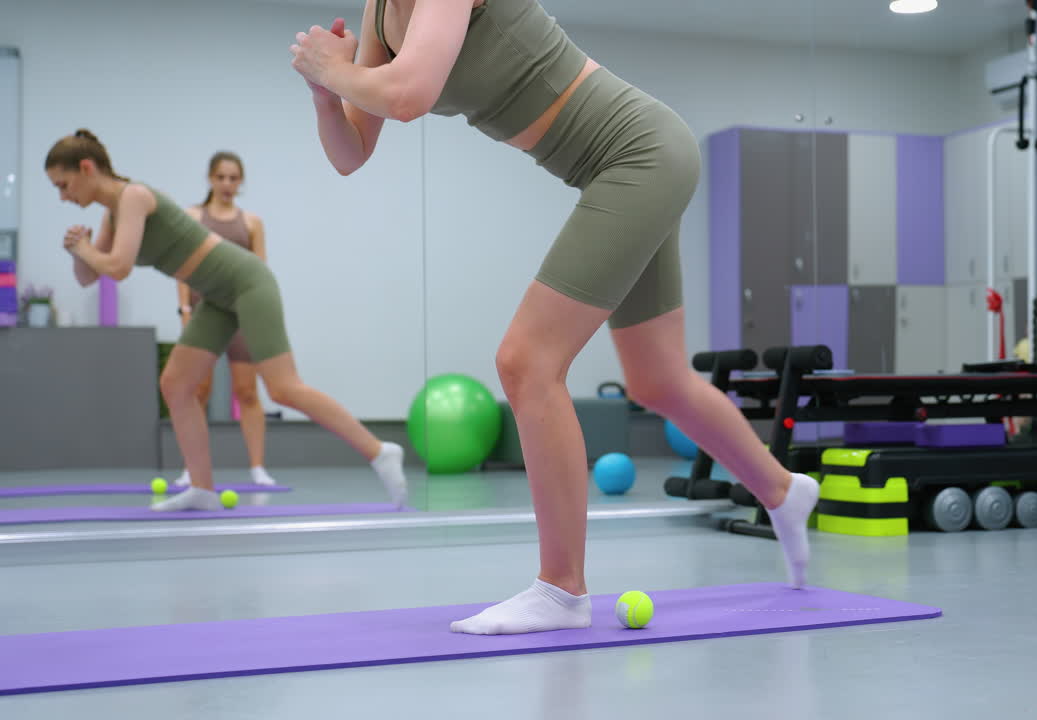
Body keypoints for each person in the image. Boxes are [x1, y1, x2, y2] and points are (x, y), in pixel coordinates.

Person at [289, 0, 819, 635]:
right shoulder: (380, 14)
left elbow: (407, 94)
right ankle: (784, 490)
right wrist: (326, 91)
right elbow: (351, 152)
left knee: (527, 361)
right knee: (657, 382)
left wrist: (334, 67)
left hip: (640, 154)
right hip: (619, 171)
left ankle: (562, 590)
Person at [46, 130, 407, 512]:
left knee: (283, 388)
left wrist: (86, 249)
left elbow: (117, 268)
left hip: (246, 282)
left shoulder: (133, 197)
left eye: (63, 184)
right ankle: (202, 488)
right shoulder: (112, 214)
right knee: (176, 385)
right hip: (216, 296)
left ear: (87, 168)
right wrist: (77, 251)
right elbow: (88, 277)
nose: (63, 196)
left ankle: (380, 450)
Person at [171, 151, 277, 489]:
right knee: (196, 391)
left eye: (234, 178)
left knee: (247, 392)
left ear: (240, 182)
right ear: (210, 179)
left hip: (241, 318)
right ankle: (192, 469)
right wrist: (185, 311)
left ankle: (258, 469)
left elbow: (260, 274)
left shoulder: (252, 223)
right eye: (221, 177)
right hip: (203, 314)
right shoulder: (192, 217)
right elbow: (183, 270)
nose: (227, 184)